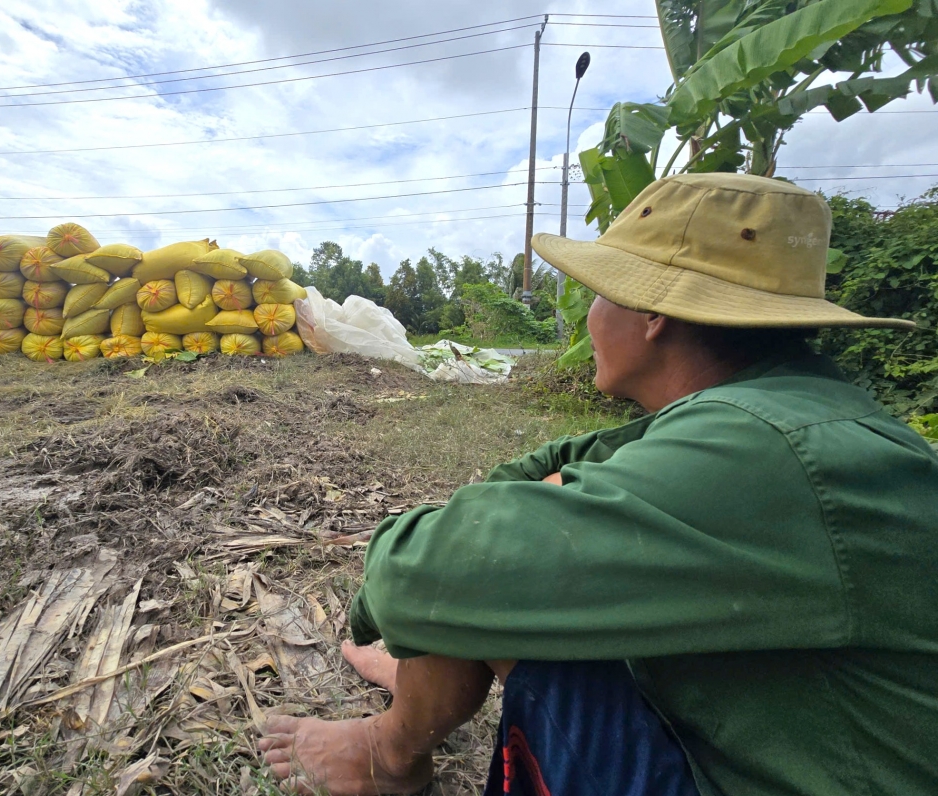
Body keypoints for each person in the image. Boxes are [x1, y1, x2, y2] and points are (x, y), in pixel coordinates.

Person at [257, 173, 938, 796]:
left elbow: (423, 573)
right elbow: (536, 479)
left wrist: (403, 607)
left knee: (491, 576)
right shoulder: (790, 418)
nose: (589, 315)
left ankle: (388, 754)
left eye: (597, 294)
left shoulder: (765, 454)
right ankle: (406, 715)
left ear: (651, 317)